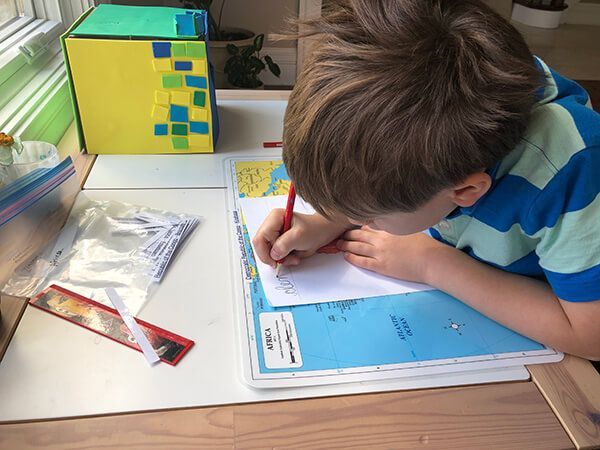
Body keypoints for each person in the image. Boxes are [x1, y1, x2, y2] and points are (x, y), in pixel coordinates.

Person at [253, 0, 600, 360]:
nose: (364, 221)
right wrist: (329, 218)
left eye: (372, 216)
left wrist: (432, 265)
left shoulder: (574, 171)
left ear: (466, 190)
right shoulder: (451, 131)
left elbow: (591, 336)